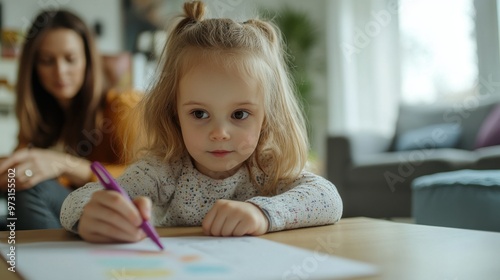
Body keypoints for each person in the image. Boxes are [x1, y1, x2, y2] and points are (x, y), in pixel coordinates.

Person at [60, 0, 342, 242]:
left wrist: (262, 214)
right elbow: (73, 202)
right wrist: (94, 215)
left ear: (267, 115)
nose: (219, 133)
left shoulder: (268, 170)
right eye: (199, 114)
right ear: (174, 114)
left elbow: (328, 198)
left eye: (240, 114)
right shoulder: (161, 173)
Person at [0, 10, 140, 229]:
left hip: (111, 216)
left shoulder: (124, 106)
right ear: (33, 68)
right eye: (47, 61)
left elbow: (146, 180)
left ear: (88, 60)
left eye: (70, 59)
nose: (60, 71)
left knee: (31, 189)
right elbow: (23, 171)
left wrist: (64, 165)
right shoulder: (40, 115)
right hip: (65, 213)